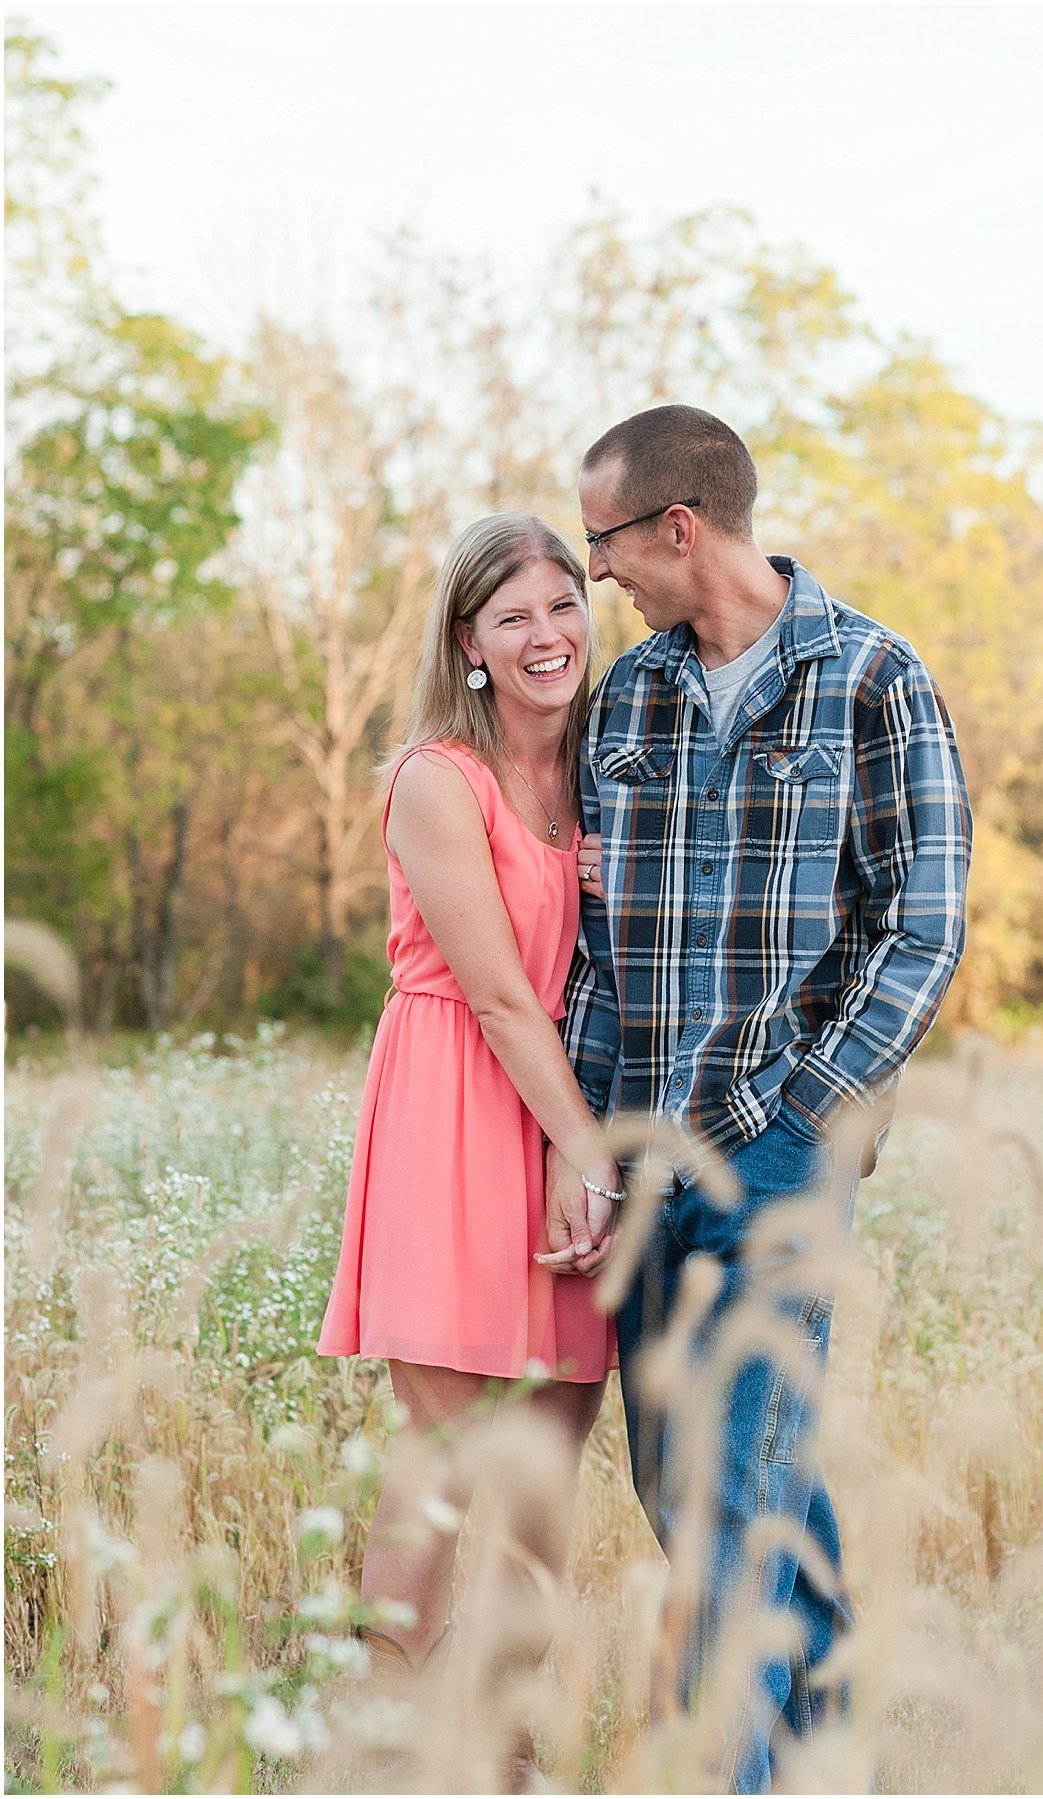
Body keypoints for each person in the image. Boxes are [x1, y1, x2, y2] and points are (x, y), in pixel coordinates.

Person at [540, 405, 972, 1792]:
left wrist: (807, 1110)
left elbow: (922, 925)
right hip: (643, 1149)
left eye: (601, 540)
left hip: (781, 1159)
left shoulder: (873, 677)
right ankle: (833, 1746)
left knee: (731, 1502)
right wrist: (592, 1144)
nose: (593, 573)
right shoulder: (634, 695)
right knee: (696, 1483)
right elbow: (604, 945)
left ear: (678, 526)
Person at [317, 513, 620, 1697]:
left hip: (566, 1101)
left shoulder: (606, 764)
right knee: (441, 1441)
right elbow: (497, 992)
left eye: (563, 604)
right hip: (462, 1101)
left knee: (555, 1440)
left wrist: (622, 869)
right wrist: (584, 1149)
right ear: (469, 641)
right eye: (513, 616)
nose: (548, 635)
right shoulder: (435, 778)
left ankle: (499, 1726)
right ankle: (389, 1720)